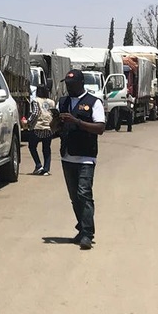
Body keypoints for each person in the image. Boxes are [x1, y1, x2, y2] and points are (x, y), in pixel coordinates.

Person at [58, 69, 106, 250]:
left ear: (81, 84)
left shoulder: (93, 102)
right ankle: (82, 227)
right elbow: (57, 127)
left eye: (72, 85)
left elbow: (100, 128)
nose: (69, 88)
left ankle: (87, 234)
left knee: (84, 194)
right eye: (67, 85)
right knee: (74, 197)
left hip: (86, 156)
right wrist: (56, 123)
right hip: (67, 156)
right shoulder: (63, 102)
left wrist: (76, 121)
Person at [28, 85, 56, 176]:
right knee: (46, 148)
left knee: (32, 146)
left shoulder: (36, 101)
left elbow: (35, 113)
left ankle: (38, 165)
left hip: (38, 127)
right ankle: (46, 169)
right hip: (49, 128)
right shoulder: (51, 102)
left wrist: (28, 122)